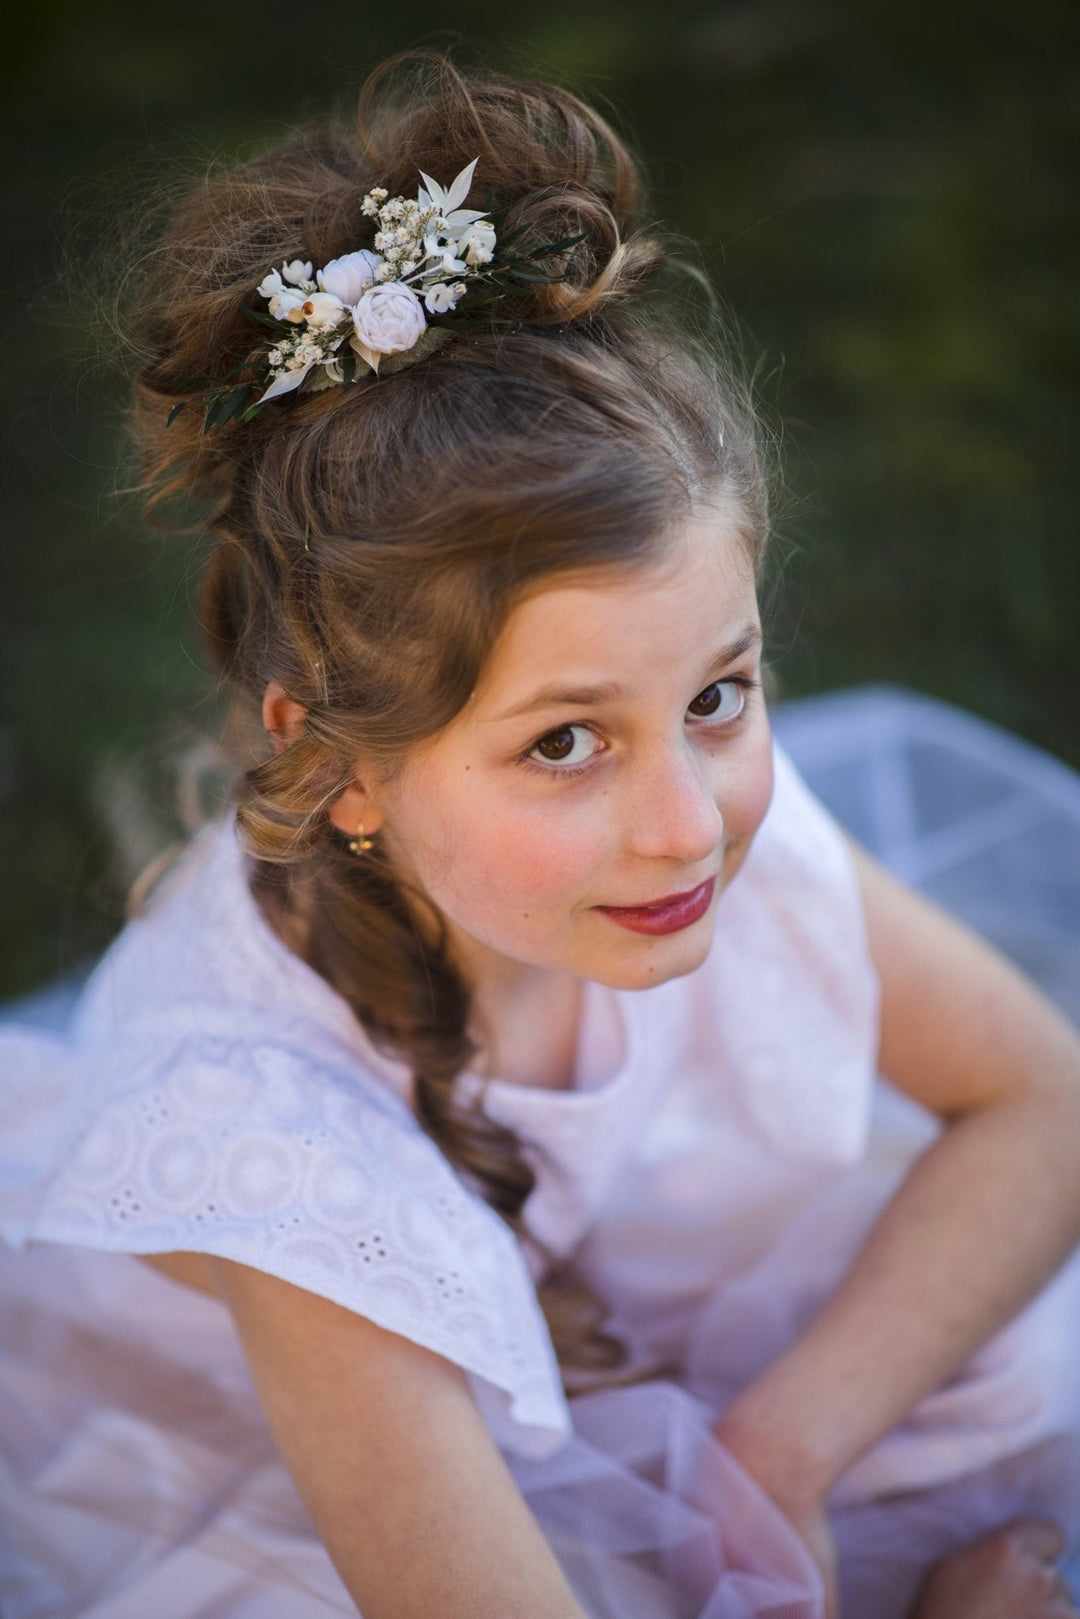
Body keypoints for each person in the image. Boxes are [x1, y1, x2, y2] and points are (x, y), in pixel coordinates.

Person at [2, 51, 1079, 1619]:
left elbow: (1045, 1101)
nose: (686, 826)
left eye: (723, 693)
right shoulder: (270, 1138)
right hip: (261, 1460)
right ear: (347, 769)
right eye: (563, 742)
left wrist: (779, 1456)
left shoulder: (684, 815)